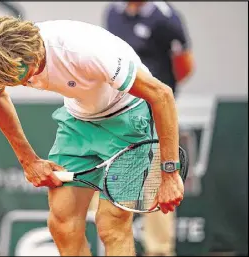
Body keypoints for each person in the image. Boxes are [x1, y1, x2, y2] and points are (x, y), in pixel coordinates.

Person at [0, 16, 184, 256]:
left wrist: (169, 173)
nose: (18, 83)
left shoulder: (85, 50)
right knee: (62, 222)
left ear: (34, 54)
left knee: (111, 224)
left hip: (128, 118)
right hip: (78, 121)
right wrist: (28, 160)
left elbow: (162, 95)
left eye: (20, 76)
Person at [105, 2, 195, 256]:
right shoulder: (112, 12)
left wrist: (157, 95)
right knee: (110, 183)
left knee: (158, 185)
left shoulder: (166, 18)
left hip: (155, 114)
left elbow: (185, 66)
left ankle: (159, 251)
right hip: (117, 113)